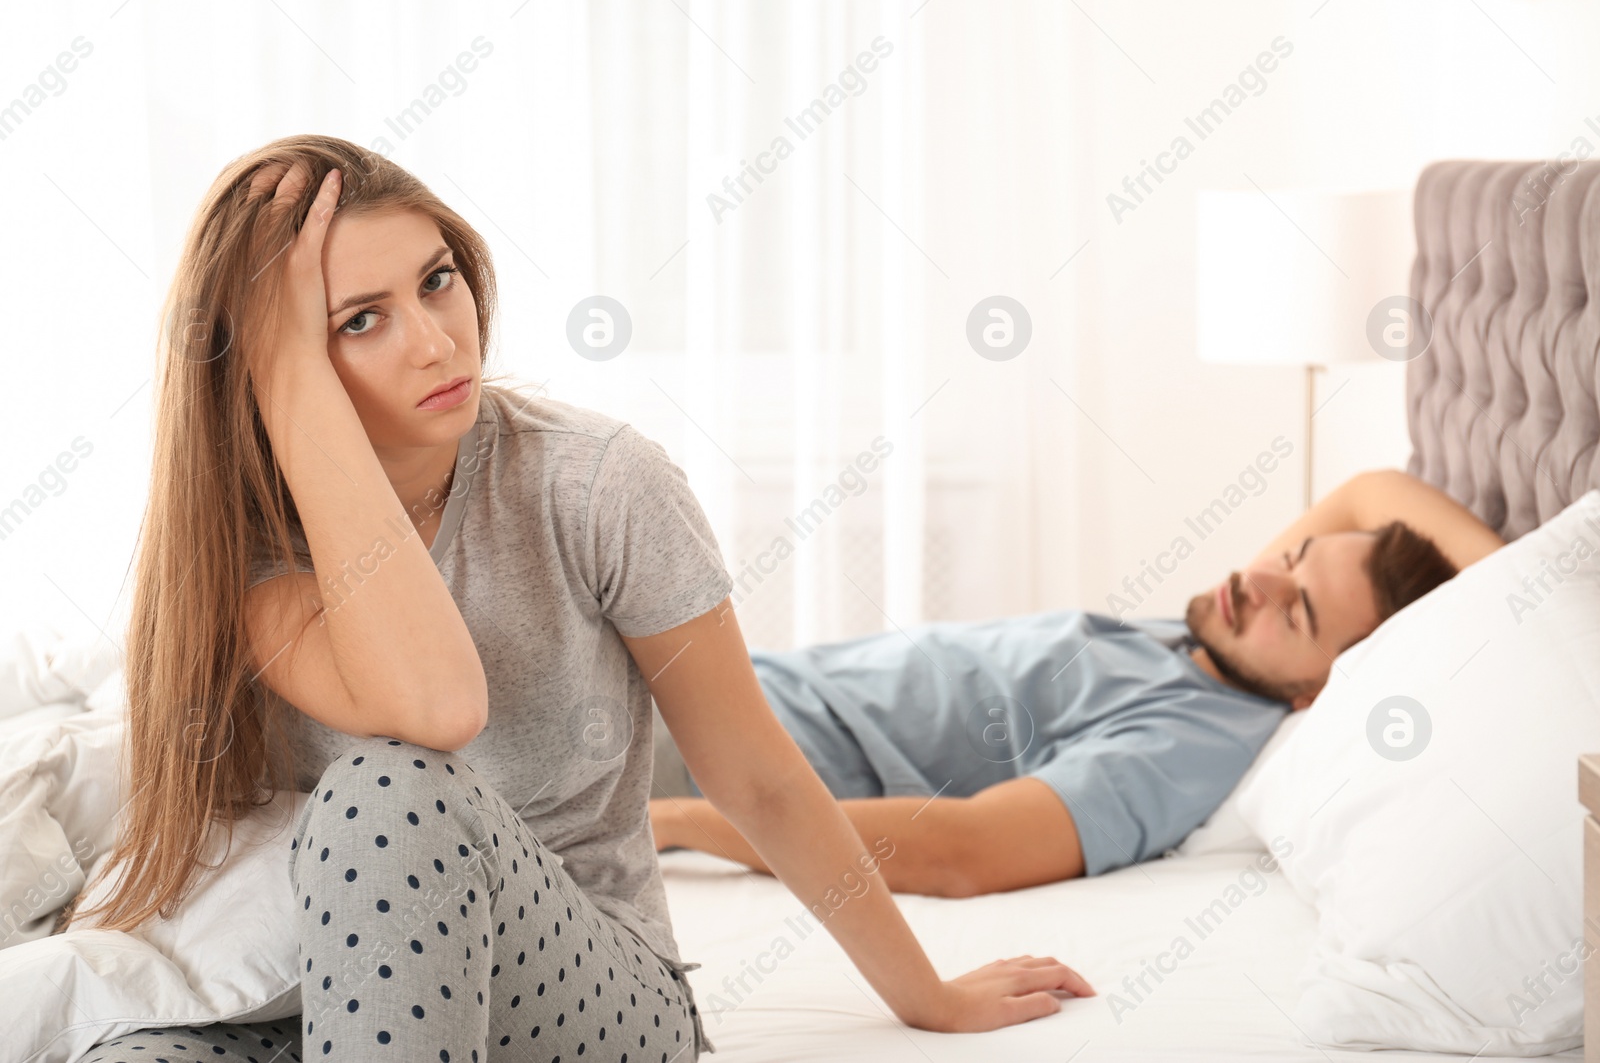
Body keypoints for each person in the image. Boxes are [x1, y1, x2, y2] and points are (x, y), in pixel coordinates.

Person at [69, 135, 1093, 1063]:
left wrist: (926, 994)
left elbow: (751, 775)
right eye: (360, 321)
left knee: (391, 788)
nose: (435, 340)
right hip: (329, 990)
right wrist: (288, 381)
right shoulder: (249, 553)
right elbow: (413, 696)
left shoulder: (593, 483)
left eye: (437, 281)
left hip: (591, 988)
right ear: (271, 368)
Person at [649, 469, 1505, 897]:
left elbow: (968, 850)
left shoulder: (1191, 740)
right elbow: (1371, 494)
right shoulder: (1219, 633)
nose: (1263, 579)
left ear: (1323, 691)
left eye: (1302, 613)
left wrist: (680, 823)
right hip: (694, 690)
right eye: (1292, 556)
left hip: (695, 760)